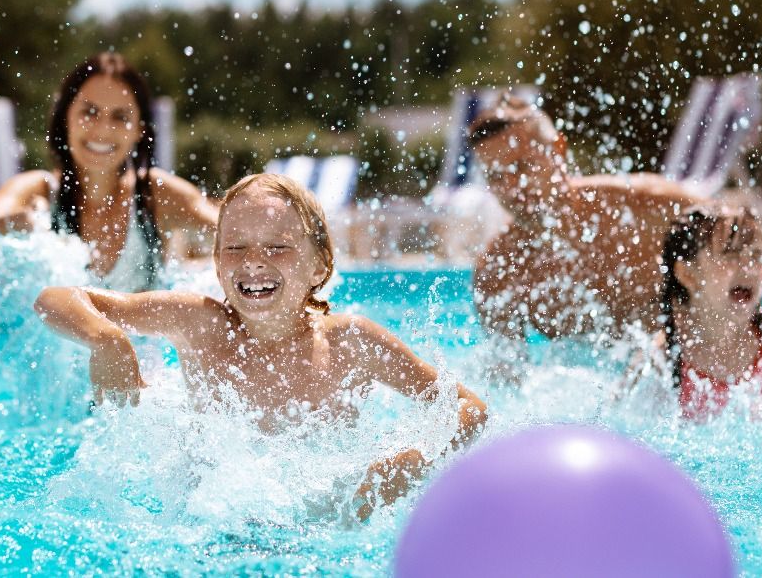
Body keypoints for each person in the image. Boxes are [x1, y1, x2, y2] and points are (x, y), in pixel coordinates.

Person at [33, 173, 488, 519]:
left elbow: (468, 407)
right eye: (235, 247)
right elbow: (56, 298)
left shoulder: (352, 343)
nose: (253, 261)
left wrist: (412, 465)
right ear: (215, 261)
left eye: (278, 247)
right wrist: (106, 339)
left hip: (326, 527)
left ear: (319, 265)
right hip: (210, 525)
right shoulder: (200, 325)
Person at [0, 52, 217, 291]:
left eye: (120, 117)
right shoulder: (37, 191)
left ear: (140, 129)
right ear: (65, 117)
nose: (102, 130)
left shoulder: (155, 195)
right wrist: (19, 223)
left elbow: (235, 228)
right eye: (89, 112)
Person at [469, 95, 701, 341]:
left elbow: (738, 234)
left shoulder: (644, 206)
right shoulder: (499, 273)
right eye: (495, 177)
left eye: (522, 166)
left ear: (558, 149)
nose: (511, 187)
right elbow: (504, 376)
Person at [627, 206, 762, 421]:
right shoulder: (662, 359)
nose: (749, 266)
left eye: (756, 254)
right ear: (687, 274)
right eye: (731, 253)